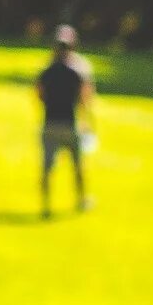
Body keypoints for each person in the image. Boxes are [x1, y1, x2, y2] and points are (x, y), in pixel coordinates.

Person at [37, 26, 95, 216]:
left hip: (50, 123)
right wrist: (88, 121)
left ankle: (46, 206)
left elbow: (39, 94)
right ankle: (81, 200)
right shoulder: (76, 72)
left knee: (47, 168)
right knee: (78, 167)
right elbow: (84, 98)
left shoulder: (47, 71)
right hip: (70, 124)